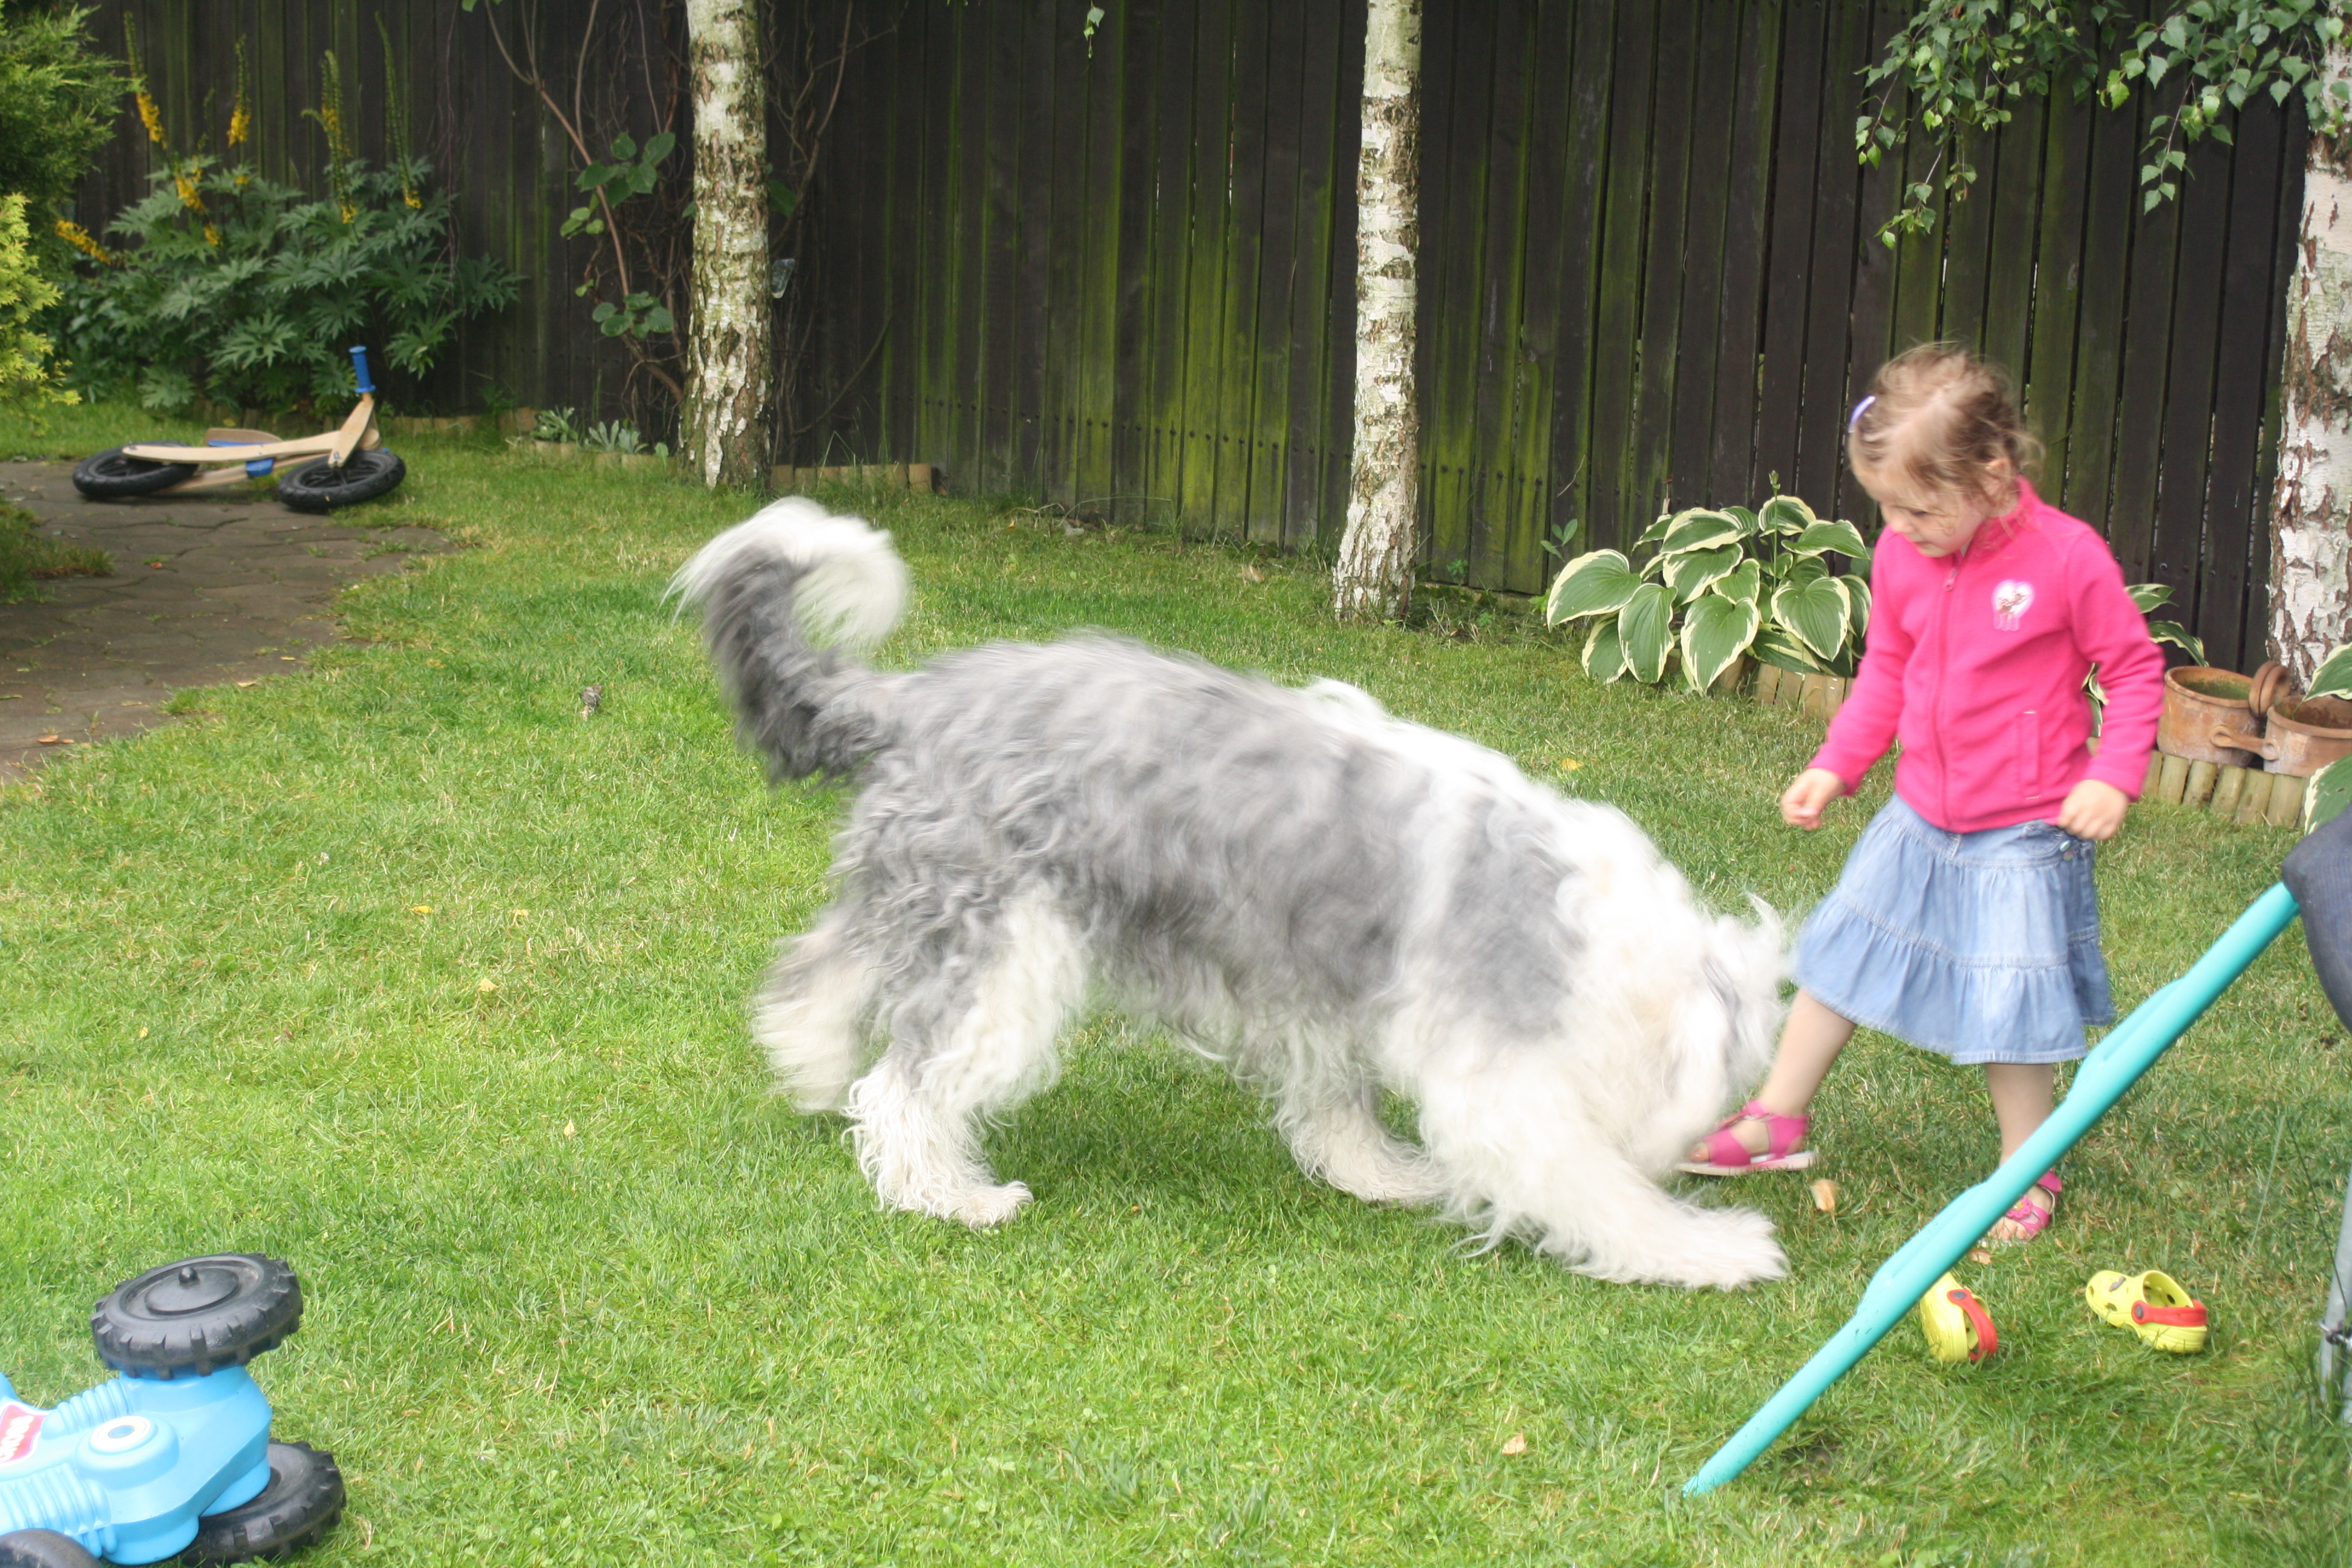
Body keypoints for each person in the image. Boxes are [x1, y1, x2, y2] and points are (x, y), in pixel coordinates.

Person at [1680, 342, 2167, 1244]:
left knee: (2011, 1004)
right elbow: (1888, 672)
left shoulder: (2067, 559)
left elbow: (2136, 672)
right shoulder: (1904, 554)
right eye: (1888, 508)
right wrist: (1838, 763)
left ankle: (2027, 1165)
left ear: (1994, 473)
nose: (1900, 527)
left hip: (2025, 825)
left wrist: (2113, 775)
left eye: (1920, 508)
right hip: (1920, 814)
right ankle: (1778, 1120)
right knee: (1841, 956)